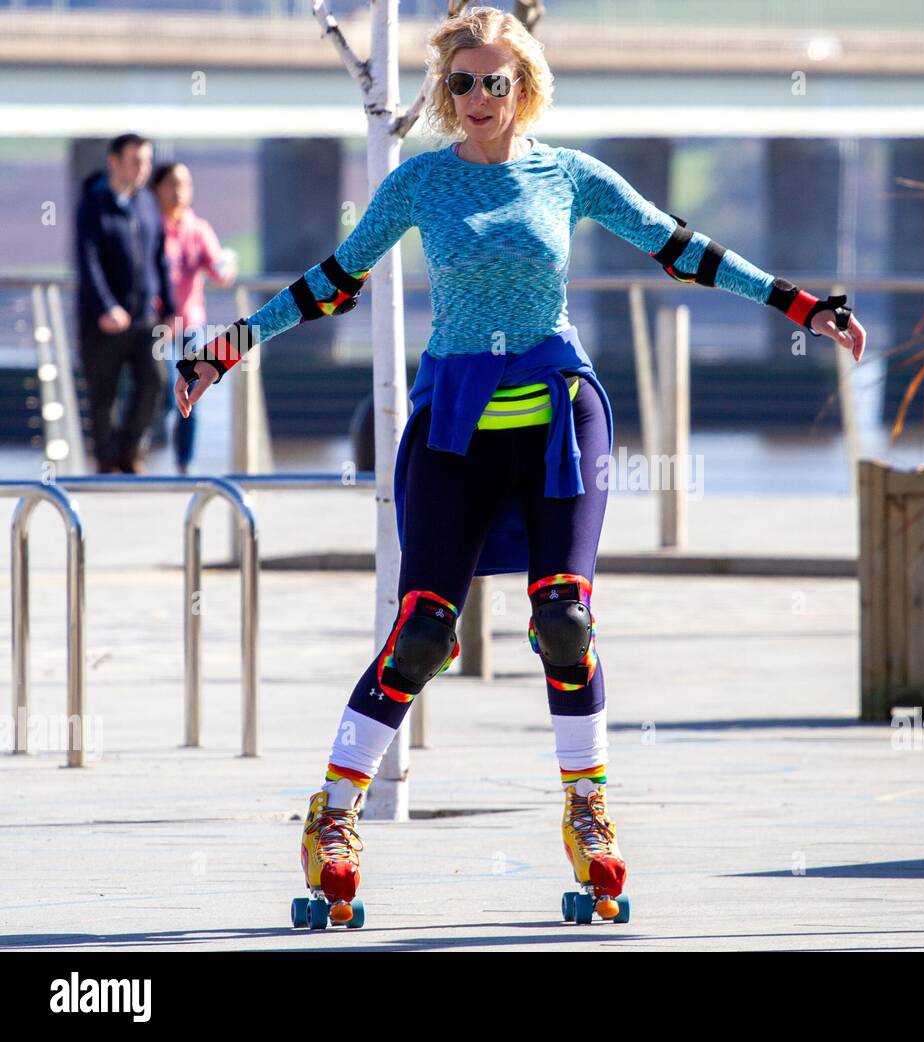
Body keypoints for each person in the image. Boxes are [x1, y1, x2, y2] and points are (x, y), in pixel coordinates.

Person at [174, 5, 865, 928]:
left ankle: (589, 808)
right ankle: (332, 818)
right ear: (444, 90)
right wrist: (230, 346)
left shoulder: (568, 174)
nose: (476, 98)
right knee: (420, 634)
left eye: (494, 81)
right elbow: (334, 279)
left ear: (523, 85)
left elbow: (681, 248)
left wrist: (799, 305)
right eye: (460, 82)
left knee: (565, 620)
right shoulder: (418, 183)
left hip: (556, 420)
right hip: (457, 428)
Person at [75, 133, 181, 474]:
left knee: (155, 382)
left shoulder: (147, 203)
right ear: (114, 162)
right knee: (102, 395)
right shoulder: (93, 203)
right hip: (101, 321)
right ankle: (107, 463)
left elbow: (160, 258)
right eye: (136, 161)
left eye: (147, 161)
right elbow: (87, 260)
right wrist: (106, 307)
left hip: (144, 318)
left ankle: (130, 451)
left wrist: (170, 307)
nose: (143, 169)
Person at [151, 161, 237, 475]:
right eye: (172, 183)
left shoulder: (197, 229)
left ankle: (184, 464)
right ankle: (146, 454)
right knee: (156, 388)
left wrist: (226, 267)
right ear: (156, 189)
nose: (178, 191)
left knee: (191, 389)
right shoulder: (149, 227)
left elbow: (219, 268)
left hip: (190, 323)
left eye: (184, 184)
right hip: (155, 324)